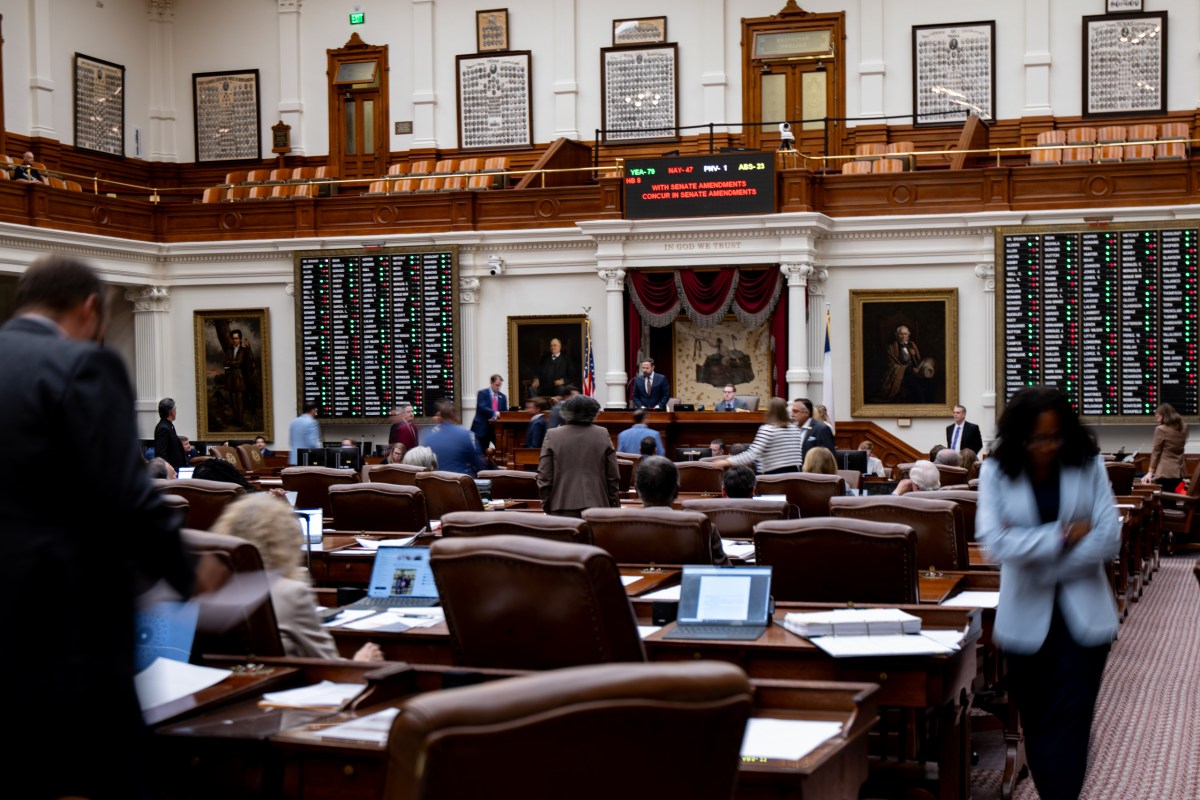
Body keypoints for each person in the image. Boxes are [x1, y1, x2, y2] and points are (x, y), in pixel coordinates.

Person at [0, 254, 195, 799]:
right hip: (65, 622)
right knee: (107, 773)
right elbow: (125, 491)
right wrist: (188, 574)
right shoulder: (82, 365)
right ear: (90, 308)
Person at [977, 385, 1120, 800]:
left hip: (1085, 624)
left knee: (1072, 727)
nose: (1047, 445)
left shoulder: (1087, 464)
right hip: (1025, 625)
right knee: (1039, 730)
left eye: (1054, 435)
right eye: (1038, 437)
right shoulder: (996, 471)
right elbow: (993, 544)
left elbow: (1108, 537)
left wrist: (1030, 550)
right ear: (1020, 436)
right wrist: (1061, 537)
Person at [210, 494, 381, 662]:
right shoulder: (290, 593)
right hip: (283, 685)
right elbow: (329, 664)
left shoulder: (210, 586)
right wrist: (361, 662)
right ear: (284, 540)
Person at [635, 456, 730, 566]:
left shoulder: (613, 526)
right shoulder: (701, 527)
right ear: (677, 491)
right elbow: (726, 574)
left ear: (637, 490)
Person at [537, 394, 620, 517]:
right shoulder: (602, 434)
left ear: (566, 414)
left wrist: (547, 504)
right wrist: (613, 503)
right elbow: (613, 476)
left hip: (561, 505)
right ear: (593, 414)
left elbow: (545, 476)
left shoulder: (553, 435)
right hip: (597, 506)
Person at [710, 397, 804, 474]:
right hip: (794, 477)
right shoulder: (795, 429)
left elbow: (752, 454)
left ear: (770, 412)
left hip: (773, 479)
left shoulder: (767, 429)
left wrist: (728, 461)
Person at [424, 399, 485, 476]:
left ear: (440, 417)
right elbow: (477, 464)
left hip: (435, 484)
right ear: (454, 416)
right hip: (460, 484)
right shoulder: (464, 435)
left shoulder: (428, 437)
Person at [214, 319, 256, 427]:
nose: (235, 340)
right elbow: (225, 363)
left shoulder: (243, 350)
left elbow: (247, 361)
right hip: (231, 379)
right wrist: (234, 363)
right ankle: (236, 420)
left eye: (236, 338)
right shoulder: (229, 350)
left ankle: (240, 421)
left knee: (239, 400)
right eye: (233, 339)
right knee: (233, 400)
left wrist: (249, 348)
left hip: (240, 378)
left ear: (240, 339)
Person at [880, 325, 934, 403]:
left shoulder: (912, 344)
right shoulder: (891, 347)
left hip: (917, 371)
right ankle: (922, 408)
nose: (903, 336)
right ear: (897, 335)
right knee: (916, 386)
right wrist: (909, 369)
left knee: (931, 382)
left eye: (905, 334)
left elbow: (918, 360)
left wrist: (914, 354)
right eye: (901, 334)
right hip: (902, 374)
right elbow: (891, 365)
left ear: (908, 335)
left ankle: (931, 408)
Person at [1142, 402, 1188, 492]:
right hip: (1179, 472)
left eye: (1158, 417)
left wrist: (1150, 472)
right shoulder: (1184, 428)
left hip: (1165, 472)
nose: (1157, 420)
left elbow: (1156, 451)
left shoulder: (1160, 429)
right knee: (1173, 500)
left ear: (1165, 416)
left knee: (1165, 502)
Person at [470, 374, 507, 454]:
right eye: (497, 385)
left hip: (496, 430)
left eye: (500, 385)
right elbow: (482, 407)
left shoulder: (503, 397)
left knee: (502, 452)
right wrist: (495, 413)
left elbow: (504, 412)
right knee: (480, 453)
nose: (498, 387)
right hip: (482, 428)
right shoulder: (482, 393)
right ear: (491, 383)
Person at [792, 397, 836, 464]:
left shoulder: (822, 429)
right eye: (792, 411)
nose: (792, 415)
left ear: (806, 413)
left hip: (814, 472)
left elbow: (829, 457)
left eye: (795, 411)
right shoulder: (792, 429)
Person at [155, 397, 187, 470]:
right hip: (171, 471)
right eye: (175, 409)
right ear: (171, 412)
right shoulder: (163, 428)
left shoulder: (169, 425)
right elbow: (161, 454)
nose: (176, 412)